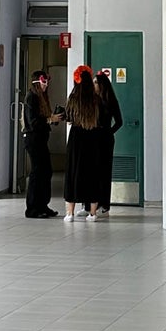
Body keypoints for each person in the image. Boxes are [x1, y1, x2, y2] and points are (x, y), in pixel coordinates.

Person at [63, 65, 102, 221]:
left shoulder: (73, 98)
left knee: (73, 172)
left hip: (76, 138)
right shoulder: (96, 99)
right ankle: (92, 213)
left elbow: (68, 117)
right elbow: (101, 119)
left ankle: (70, 213)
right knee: (93, 172)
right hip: (93, 137)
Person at [22, 69, 58, 219]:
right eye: (44, 81)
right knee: (37, 173)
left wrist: (52, 119)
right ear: (37, 82)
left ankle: (43, 205)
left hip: (41, 139)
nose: (46, 84)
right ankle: (32, 208)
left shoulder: (41, 97)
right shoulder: (31, 97)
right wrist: (49, 119)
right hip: (33, 139)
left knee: (46, 171)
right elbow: (33, 122)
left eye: (47, 82)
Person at [91, 68, 124, 218]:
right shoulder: (92, 100)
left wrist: (108, 132)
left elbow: (119, 122)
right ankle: (90, 204)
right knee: (92, 171)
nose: (93, 85)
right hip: (92, 138)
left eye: (96, 82)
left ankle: (104, 204)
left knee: (104, 171)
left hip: (105, 139)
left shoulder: (110, 101)